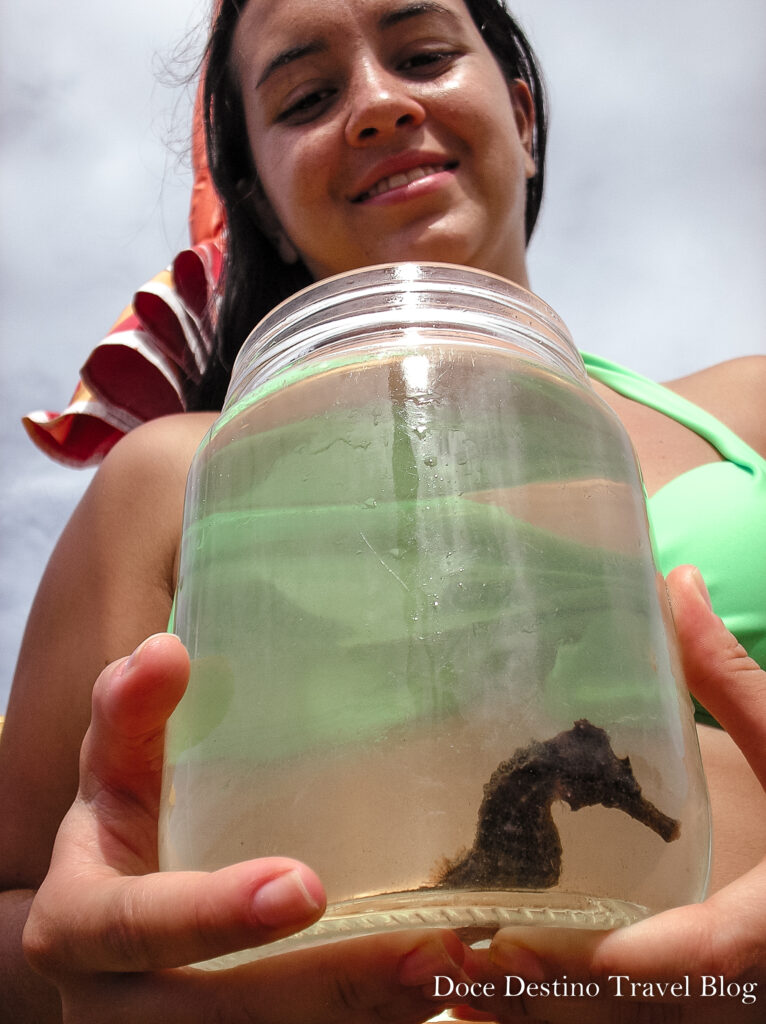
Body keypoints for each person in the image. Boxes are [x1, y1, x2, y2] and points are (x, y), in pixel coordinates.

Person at [1, 0, 764, 1018]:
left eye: (425, 54)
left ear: (522, 117)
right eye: (308, 96)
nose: (376, 105)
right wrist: (76, 980)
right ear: (260, 203)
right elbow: (22, 900)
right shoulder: (175, 472)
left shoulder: (747, 405)